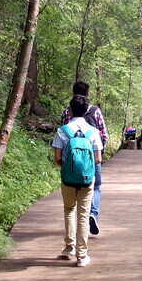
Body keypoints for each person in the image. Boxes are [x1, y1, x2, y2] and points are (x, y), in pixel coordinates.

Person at [52, 95, 103, 267]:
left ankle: (69, 247)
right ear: (87, 110)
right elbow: (98, 159)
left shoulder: (62, 131)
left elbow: (57, 158)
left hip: (67, 179)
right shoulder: (93, 132)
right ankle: (82, 256)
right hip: (87, 180)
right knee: (83, 214)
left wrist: (68, 168)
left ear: (70, 110)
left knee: (69, 210)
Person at [60, 80, 107, 235]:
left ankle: (72, 233)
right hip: (93, 158)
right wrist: (98, 151)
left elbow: (63, 136)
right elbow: (103, 134)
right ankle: (92, 213)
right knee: (96, 187)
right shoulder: (95, 110)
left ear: (73, 93)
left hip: (70, 163)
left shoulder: (67, 112)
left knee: (71, 198)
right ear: (88, 94)